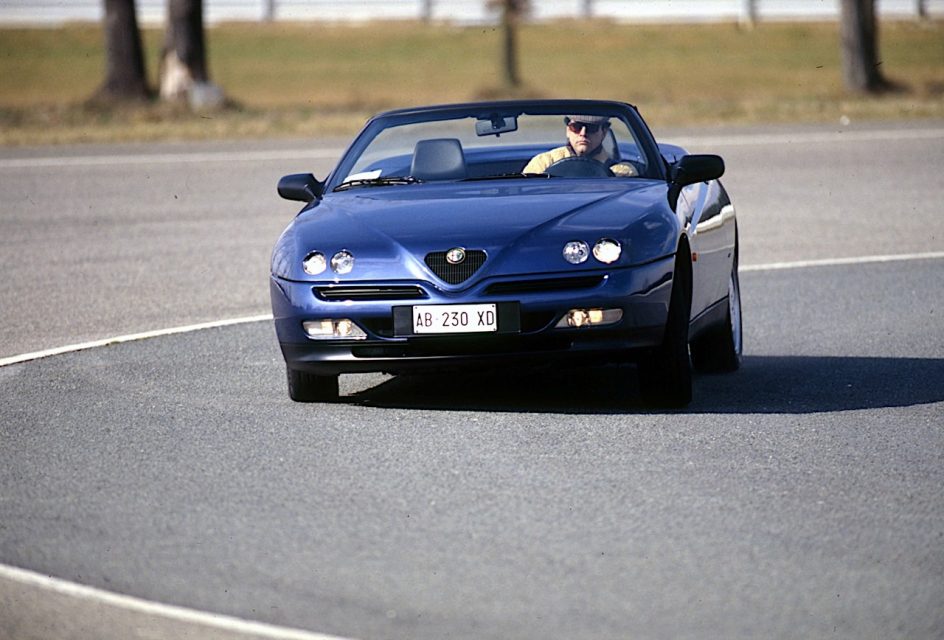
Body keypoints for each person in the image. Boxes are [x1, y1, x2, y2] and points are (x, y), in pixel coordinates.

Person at [522, 115, 637, 177]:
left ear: (604, 132)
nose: (583, 133)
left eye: (591, 128)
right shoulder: (543, 163)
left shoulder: (623, 172)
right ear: (568, 130)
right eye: (576, 127)